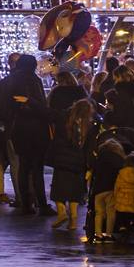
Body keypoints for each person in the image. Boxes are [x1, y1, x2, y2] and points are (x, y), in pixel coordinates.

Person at [4, 53, 52, 215]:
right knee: (36, 167)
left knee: (23, 166)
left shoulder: (8, 81)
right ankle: (41, 203)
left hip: (17, 128)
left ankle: (25, 202)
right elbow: (40, 106)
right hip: (35, 128)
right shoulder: (33, 80)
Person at [48, 98, 91, 231]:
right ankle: (73, 219)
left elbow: (47, 112)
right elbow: (89, 146)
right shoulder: (88, 125)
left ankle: (61, 213)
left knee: (58, 189)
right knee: (75, 191)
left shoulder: (64, 119)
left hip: (62, 159)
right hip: (78, 162)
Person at [90, 136, 125, 242]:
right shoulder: (118, 159)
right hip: (110, 189)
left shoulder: (100, 157)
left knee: (98, 213)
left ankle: (98, 234)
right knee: (111, 212)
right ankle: (109, 235)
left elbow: (94, 171)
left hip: (98, 189)